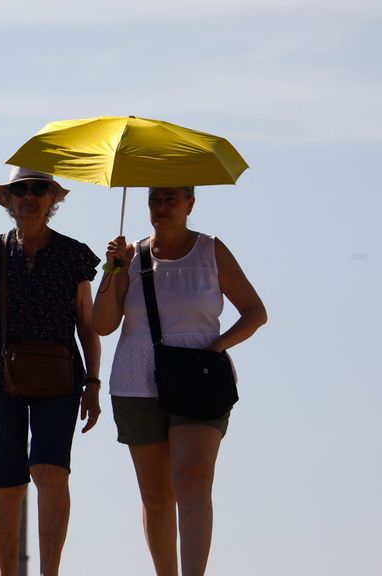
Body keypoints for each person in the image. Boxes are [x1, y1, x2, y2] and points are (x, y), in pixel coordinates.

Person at [0, 166, 103, 576]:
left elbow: (88, 323)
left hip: (59, 377)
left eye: (39, 188)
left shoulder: (74, 254)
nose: (30, 195)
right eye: (21, 189)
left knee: (50, 471)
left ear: (53, 199)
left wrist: (95, 382)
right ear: (9, 200)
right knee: (7, 487)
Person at [92, 186, 267, 576]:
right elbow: (102, 324)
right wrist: (112, 268)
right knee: (156, 495)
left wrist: (218, 347)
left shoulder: (211, 251)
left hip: (198, 378)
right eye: (155, 198)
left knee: (193, 478)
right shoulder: (131, 256)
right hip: (137, 381)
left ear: (191, 203)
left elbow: (255, 312)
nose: (162, 206)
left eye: (172, 198)